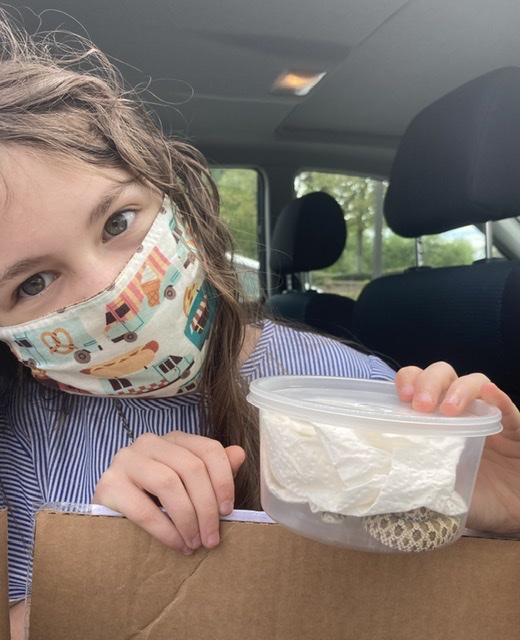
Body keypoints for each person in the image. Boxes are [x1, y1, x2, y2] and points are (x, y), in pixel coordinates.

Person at [0, 11, 519, 639]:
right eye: (33, 283)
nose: (109, 289)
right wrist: (97, 566)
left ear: (174, 199)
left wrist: (502, 523)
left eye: (118, 222)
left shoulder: (356, 389)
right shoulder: (20, 433)